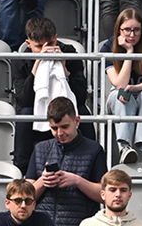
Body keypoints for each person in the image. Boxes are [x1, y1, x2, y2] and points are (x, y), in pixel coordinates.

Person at [12, 20, 90, 174]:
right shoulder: (21, 58)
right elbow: (23, 99)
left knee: (83, 112)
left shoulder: (69, 52)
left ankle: (89, 161)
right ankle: (22, 171)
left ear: (56, 37)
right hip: (36, 109)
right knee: (25, 115)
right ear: (28, 43)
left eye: (51, 43)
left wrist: (65, 69)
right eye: (39, 47)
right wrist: (37, 65)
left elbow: (81, 96)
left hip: (65, 108)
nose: (46, 50)